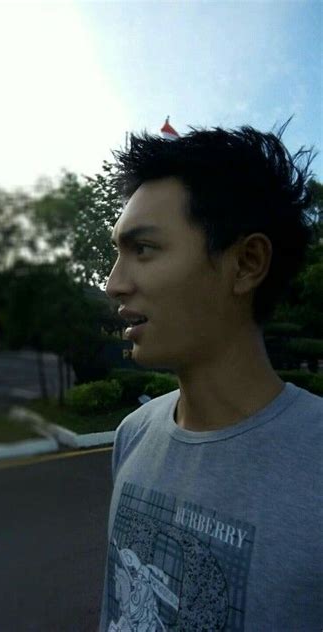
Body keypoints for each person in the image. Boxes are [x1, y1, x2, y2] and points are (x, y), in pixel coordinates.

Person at [99, 120, 322, 631]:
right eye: (117, 253)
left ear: (246, 263)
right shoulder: (133, 435)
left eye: (143, 249)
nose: (113, 283)